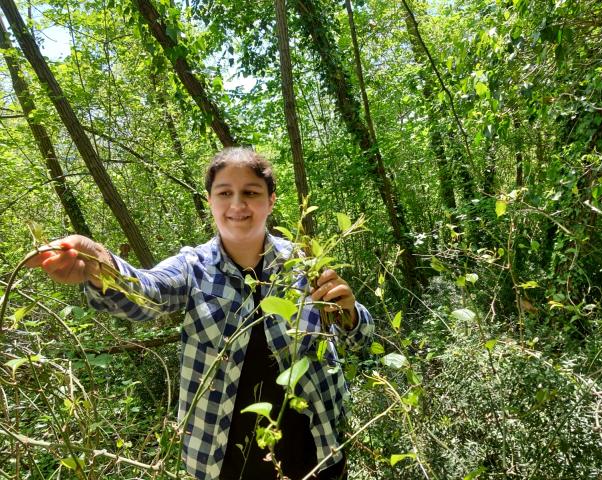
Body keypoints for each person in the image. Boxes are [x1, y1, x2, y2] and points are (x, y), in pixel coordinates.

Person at [27, 147, 374, 480]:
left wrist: (349, 313)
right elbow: (149, 291)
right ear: (210, 201)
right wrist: (99, 267)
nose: (237, 204)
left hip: (317, 448)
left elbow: (359, 340)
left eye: (251, 192)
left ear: (270, 202)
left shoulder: (303, 263)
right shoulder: (193, 268)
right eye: (224, 193)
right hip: (222, 458)